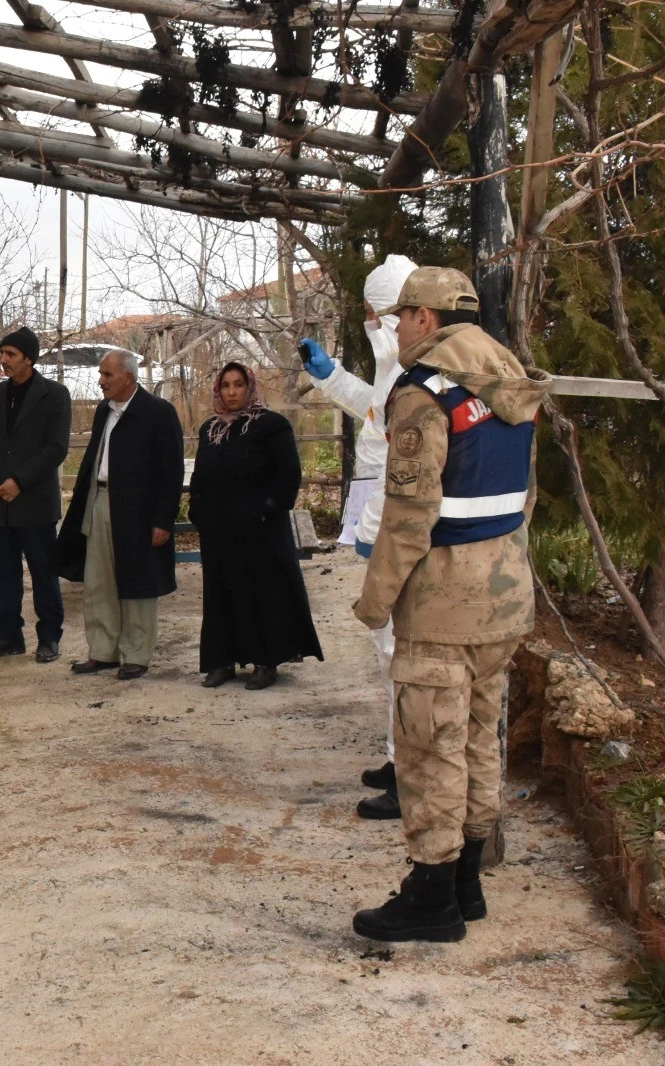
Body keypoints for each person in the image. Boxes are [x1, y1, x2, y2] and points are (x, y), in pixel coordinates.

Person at [350, 266, 551, 943]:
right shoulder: (514, 384)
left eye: (402, 316)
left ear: (426, 319)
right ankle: (467, 880)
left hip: (441, 603)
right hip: (503, 596)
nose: (396, 328)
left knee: (430, 745)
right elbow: (523, 497)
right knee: (477, 738)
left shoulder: (425, 392)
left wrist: (374, 601)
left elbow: (410, 514)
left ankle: (431, 894)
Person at [299, 253, 418, 820]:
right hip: (381, 515)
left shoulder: (416, 368)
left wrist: (372, 535)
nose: (370, 322)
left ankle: (410, 773)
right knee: (387, 651)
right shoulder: (399, 367)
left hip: (394, 525)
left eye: (375, 313)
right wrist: (328, 377)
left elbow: (402, 466)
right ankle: (400, 759)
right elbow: (372, 411)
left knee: (399, 653)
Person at [188, 362, 324, 690]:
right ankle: (222, 662)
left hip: (259, 529)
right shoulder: (211, 429)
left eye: (238, 385)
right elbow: (201, 475)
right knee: (221, 593)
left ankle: (266, 661)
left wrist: (266, 511)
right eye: (226, 386)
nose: (232, 392)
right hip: (219, 530)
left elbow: (289, 475)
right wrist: (198, 512)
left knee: (264, 593)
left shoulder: (271, 425)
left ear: (250, 387)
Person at [56, 349, 184, 680]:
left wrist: (163, 520)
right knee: (99, 582)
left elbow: (172, 471)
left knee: (138, 583)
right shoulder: (104, 410)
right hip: (101, 501)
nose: (101, 381)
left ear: (128, 376)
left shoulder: (157, 412)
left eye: (107, 375)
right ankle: (103, 651)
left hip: (139, 512)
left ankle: (137, 655)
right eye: (101, 374)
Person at [0, 327, 72, 663]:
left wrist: (19, 480)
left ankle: (49, 638)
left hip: (34, 503)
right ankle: (8, 635)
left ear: (29, 358)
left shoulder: (55, 395)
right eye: (2, 353)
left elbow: (56, 448)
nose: (3, 360)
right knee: (2, 575)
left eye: (11, 355)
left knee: (43, 573)